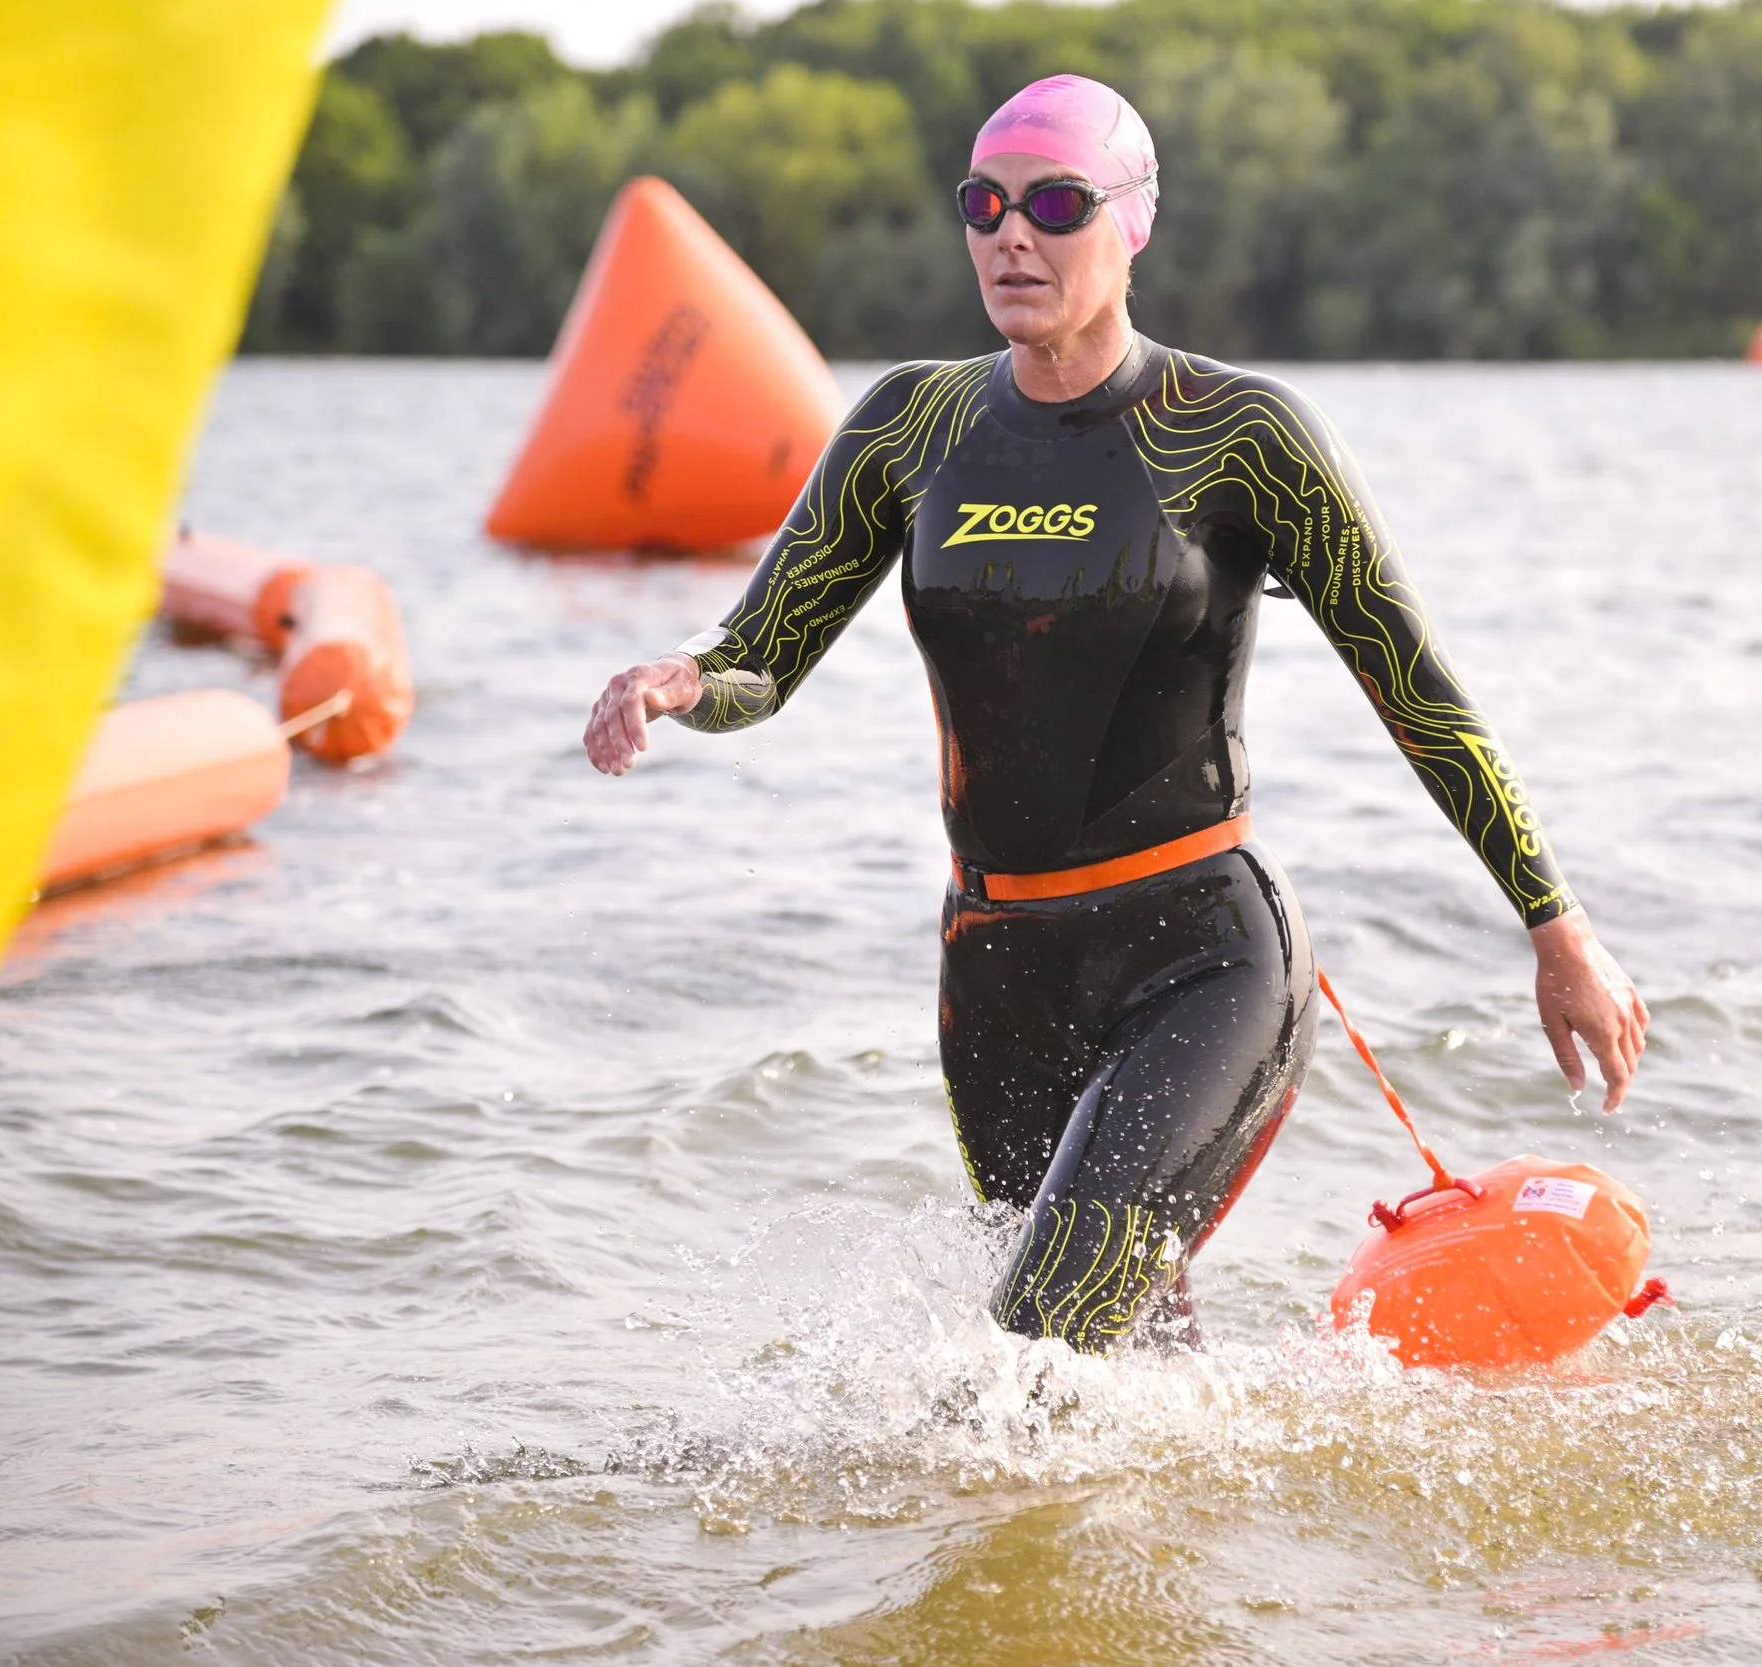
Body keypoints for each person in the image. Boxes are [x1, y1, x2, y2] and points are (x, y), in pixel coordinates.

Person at [584, 75, 1649, 1352]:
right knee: (1116, 1365)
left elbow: (1412, 684)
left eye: (1054, 202)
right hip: (998, 973)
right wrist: (684, 681)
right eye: (983, 203)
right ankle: (1231, 1533)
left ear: (1132, 222)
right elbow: (763, 655)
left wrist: (1556, 925)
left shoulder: (1240, 433)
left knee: (1035, 1342)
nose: (1009, 235)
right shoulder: (908, 427)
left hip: (1199, 953)